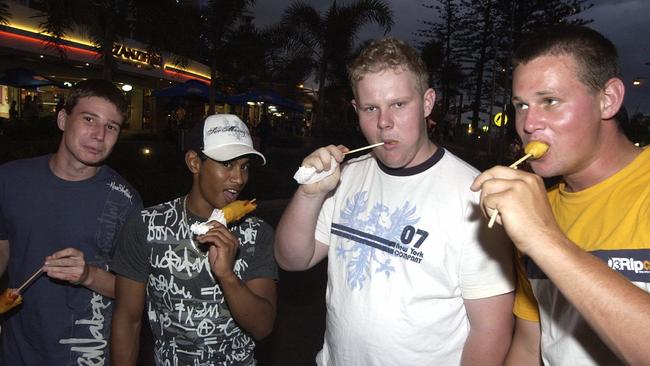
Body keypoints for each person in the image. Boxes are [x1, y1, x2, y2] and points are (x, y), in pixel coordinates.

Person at [274, 37, 515, 365]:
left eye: (399, 104)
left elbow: (492, 328)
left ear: (427, 103)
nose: (383, 122)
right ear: (356, 111)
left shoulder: (473, 195)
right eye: (371, 108)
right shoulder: (344, 176)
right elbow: (292, 260)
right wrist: (309, 193)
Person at [470, 25, 650, 365]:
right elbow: (529, 343)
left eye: (549, 101)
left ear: (607, 99)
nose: (528, 123)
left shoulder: (536, 223)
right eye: (521, 105)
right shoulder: (537, 207)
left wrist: (544, 238)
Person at [111, 114, 278, 366]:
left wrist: (227, 275)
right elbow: (128, 319)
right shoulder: (146, 225)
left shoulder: (258, 233)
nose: (239, 178)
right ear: (194, 162)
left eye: (244, 166)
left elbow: (263, 327)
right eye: (228, 164)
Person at [0, 79, 142, 365]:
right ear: (63, 119)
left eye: (111, 127)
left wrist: (88, 275)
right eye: (89, 119)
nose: (99, 135)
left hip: (87, 353)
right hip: (18, 351)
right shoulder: (10, 179)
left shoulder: (125, 201)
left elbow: (136, 296)